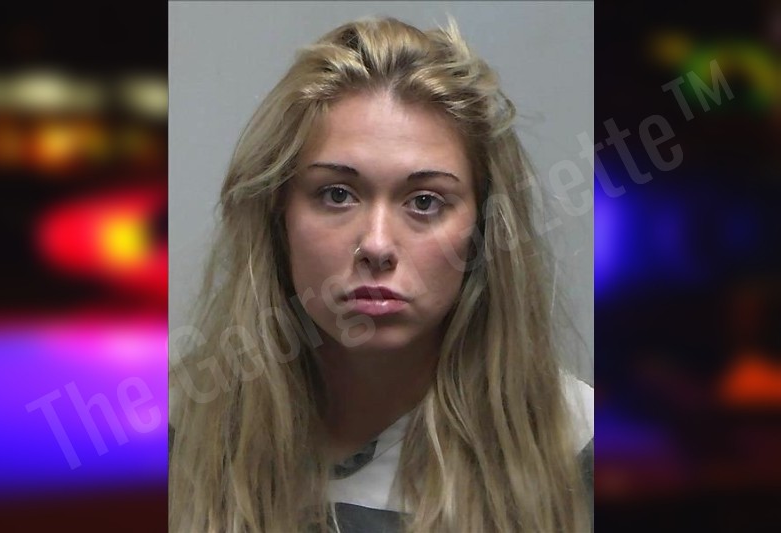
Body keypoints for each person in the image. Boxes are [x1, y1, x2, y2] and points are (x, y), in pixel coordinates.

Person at [169, 15, 593, 533]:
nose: (376, 244)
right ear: (278, 216)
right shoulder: (176, 432)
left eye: (425, 201)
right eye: (337, 194)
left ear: (483, 226)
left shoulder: (576, 443)